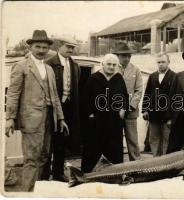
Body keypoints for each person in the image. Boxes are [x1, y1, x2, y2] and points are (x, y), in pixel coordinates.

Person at [5, 30, 68, 191]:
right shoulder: (21, 66)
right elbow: (13, 93)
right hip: (31, 120)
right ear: (30, 47)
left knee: (44, 157)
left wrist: (60, 119)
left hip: (49, 119)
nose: (41, 50)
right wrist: (10, 118)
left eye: (45, 47)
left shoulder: (49, 69)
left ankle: (38, 191)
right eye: (38, 47)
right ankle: (27, 193)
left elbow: (55, 97)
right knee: (31, 159)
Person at [81, 54, 129, 173]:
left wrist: (124, 109)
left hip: (114, 120)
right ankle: (88, 174)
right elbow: (85, 98)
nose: (111, 67)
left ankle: (115, 173)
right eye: (109, 64)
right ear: (102, 64)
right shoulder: (94, 78)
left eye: (114, 65)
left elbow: (125, 97)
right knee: (93, 148)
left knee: (114, 148)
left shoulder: (119, 78)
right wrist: (90, 114)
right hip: (97, 119)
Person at [42, 36, 81, 181]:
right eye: (67, 46)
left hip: (69, 107)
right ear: (60, 46)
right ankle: (45, 174)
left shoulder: (75, 65)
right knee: (49, 141)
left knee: (62, 142)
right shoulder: (50, 63)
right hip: (53, 108)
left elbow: (76, 87)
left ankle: (58, 172)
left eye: (72, 47)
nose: (70, 49)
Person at [142, 52, 176, 156]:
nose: (161, 64)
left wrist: (172, 117)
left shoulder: (174, 76)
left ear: (168, 62)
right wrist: (145, 110)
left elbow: (176, 98)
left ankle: (165, 162)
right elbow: (147, 93)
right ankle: (156, 160)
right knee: (154, 139)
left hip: (167, 115)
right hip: (154, 114)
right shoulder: (152, 76)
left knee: (167, 139)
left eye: (163, 62)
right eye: (159, 62)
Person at [113, 42, 143, 161]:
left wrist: (130, 106)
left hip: (131, 111)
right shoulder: (112, 68)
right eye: (123, 56)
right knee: (116, 139)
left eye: (128, 56)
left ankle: (136, 164)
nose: (126, 58)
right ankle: (117, 164)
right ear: (118, 56)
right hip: (115, 111)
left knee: (132, 139)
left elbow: (139, 90)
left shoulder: (136, 70)